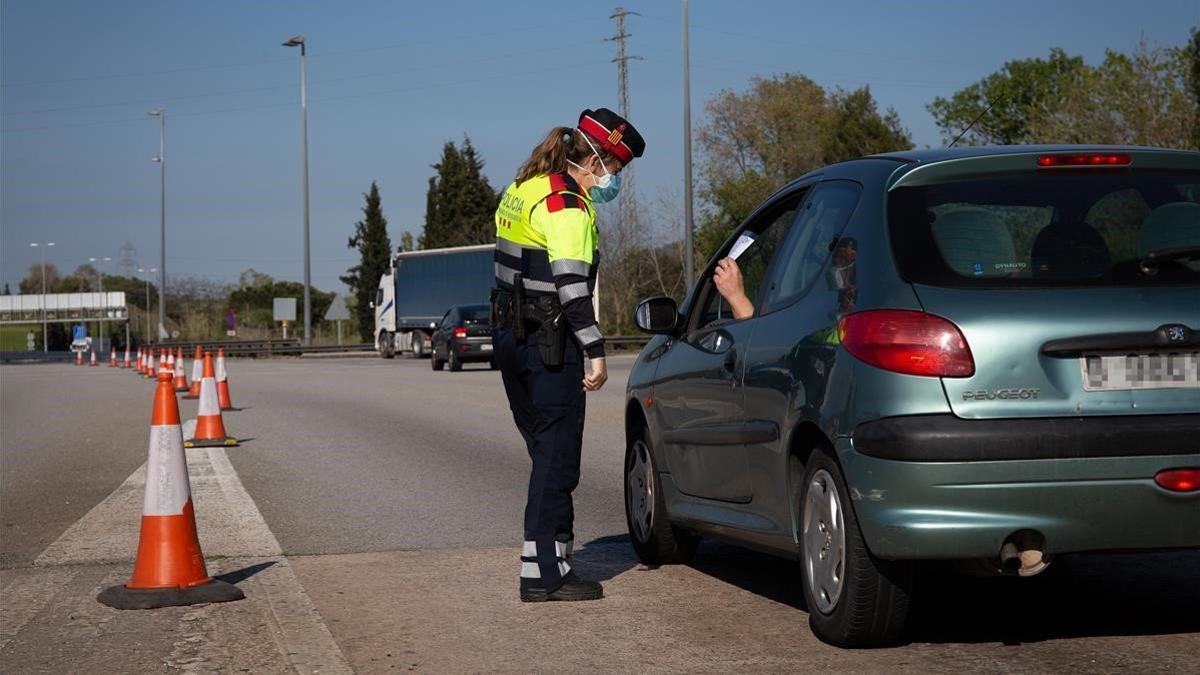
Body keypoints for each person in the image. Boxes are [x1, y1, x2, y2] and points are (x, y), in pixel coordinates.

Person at [491, 108, 645, 602]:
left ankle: (556, 554)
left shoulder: (524, 187)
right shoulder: (567, 205)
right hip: (549, 344)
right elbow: (572, 287)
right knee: (557, 458)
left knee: (545, 453)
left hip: (511, 338)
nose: (613, 180)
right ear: (597, 159)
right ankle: (542, 576)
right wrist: (595, 351)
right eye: (615, 169)